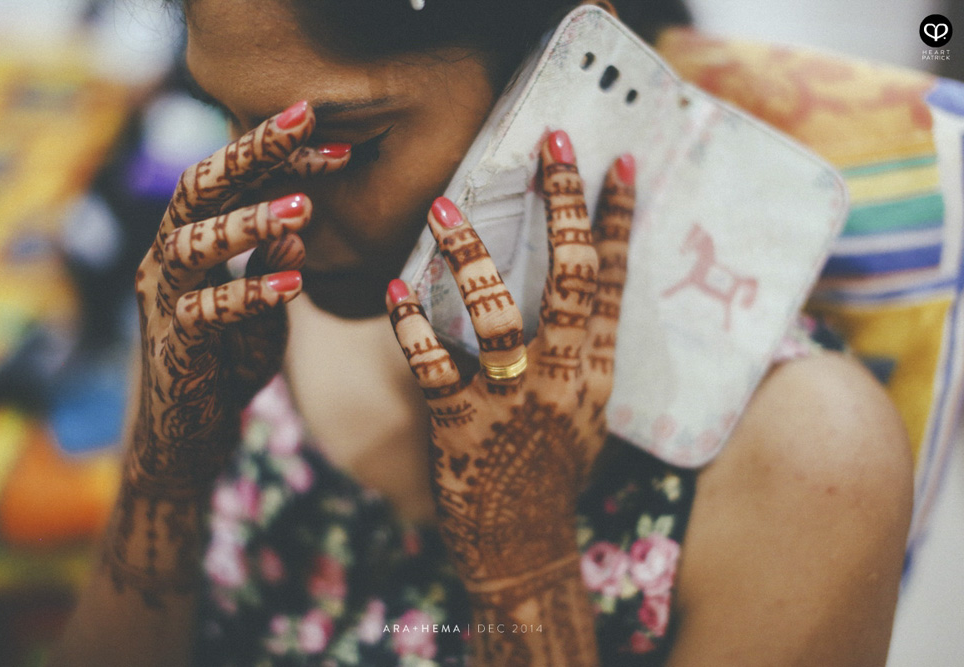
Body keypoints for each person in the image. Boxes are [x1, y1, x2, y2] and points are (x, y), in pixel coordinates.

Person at [48, 0, 914, 665]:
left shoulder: (808, 461)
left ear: (556, 74)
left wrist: (527, 574)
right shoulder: (234, 313)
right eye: (233, 125)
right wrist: (166, 474)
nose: (272, 209)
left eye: (346, 146)